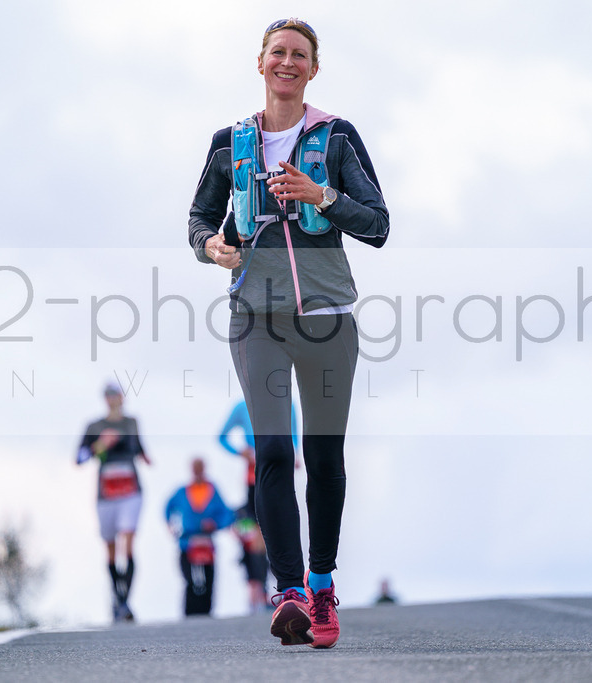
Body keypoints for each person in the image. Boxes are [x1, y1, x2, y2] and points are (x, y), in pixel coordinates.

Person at [188, 18, 389, 648]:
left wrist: (319, 194)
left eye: (300, 55)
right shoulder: (230, 142)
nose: (288, 62)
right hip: (256, 318)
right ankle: (289, 591)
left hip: (328, 319)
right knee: (274, 449)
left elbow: (378, 224)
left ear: (312, 69)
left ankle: (323, 585)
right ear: (260, 63)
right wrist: (212, 247)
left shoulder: (336, 137)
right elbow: (199, 221)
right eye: (279, 52)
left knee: (324, 458)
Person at [77, 381, 151, 622]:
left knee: (128, 543)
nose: (112, 398)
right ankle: (117, 597)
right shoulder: (94, 425)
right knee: (110, 549)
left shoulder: (131, 422)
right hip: (106, 494)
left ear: (122, 397)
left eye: (115, 394)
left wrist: (146, 456)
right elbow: (79, 457)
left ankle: (124, 601)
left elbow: (139, 447)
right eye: (107, 395)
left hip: (131, 491)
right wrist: (101, 444)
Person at [219, 399, 298, 613]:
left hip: (280, 474)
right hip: (253, 478)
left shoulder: (286, 403)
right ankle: (263, 593)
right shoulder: (241, 406)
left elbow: (294, 432)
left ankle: (287, 589)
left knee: (279, 531)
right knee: (257, 538)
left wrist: (296, 454)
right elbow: (221, 437)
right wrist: (240, 452)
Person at [165, 457, 236, 617]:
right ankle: (190, 611)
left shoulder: (212, 490)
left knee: (208, 578)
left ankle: (206, 610)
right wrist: (169, 524)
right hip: (187, 541)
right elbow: (168, 506)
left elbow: (226, 513)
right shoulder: (182, 491)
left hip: (206, 541)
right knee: (189, 578)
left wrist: (216, 524)